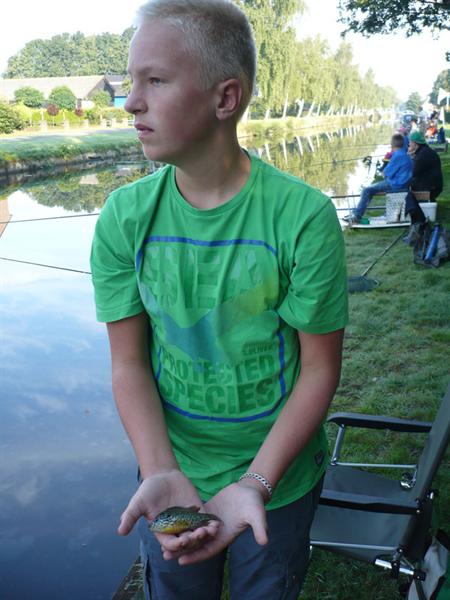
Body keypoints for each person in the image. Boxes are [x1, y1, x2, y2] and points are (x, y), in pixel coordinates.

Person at [90, 1, 348, 599]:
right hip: (171, 469)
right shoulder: (124, 217)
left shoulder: (304, 217)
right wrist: (159, 468)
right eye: (131, 81)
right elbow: (128, 363)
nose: (131, 102)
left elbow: (319, 370)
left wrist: (256, 482)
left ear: (225, 98)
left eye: (155, 80)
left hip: (277, 480)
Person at [343, 133, 413, 224]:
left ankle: (357, 215)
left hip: (396, 184)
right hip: (404, 184)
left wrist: (385, 171)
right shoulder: (406, 155)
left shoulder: (397, 155)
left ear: (392, 145)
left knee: (367, 190)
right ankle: (356, 214)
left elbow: (385, 174)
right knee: (372, 188)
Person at [409, 131, 443, 201]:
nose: (409, 144)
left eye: (410, 142)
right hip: (434, 185)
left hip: (430, 188)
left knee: (403, 187)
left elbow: (413, 173)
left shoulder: (422, 155)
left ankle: (416, 205)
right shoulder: (425, 151)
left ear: (415, 144)